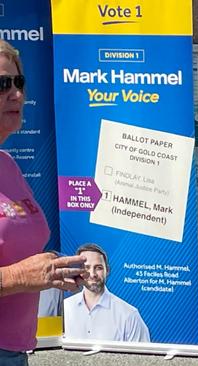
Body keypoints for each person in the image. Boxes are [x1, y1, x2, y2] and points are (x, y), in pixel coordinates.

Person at [0, 39, 88, 365]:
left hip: (16, 350)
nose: (17, 95)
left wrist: (51, 267)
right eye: (2, 84)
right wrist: (22, 277)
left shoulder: (7, 164)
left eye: (19, 83)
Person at [64, 243, 150, 343]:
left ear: (107, 271)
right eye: (86, 268)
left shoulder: (129, 315)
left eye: (98, 268)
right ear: (78, 271)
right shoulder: (65, 309)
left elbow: (142, 358)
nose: (92, 274)